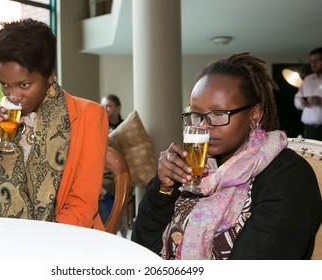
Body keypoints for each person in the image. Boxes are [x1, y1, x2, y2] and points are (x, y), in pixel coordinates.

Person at [131, 52, 322, 259]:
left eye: (219, 114)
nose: (204, 126)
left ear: (254, 115)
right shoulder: (191, 167)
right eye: (196, 114)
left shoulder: (288, 177)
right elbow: (141, 249)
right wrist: (162, 188)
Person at [0, 18, 109, 229]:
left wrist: (34, 247)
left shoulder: (89, 115)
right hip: (0, 237)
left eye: (24, 85)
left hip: (64, 243)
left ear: (50, 74)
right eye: (4, 85)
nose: (13, 95)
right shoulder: (2, 118)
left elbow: (81, 206)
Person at [98, 94, 124, 224]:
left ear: (118, 108)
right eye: (102, 105)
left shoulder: (125, 128)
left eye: (108, 106)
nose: (104, 108)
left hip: (117, 176)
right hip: (101, 175)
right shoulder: (97, 125)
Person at [294, 47, 322, 140]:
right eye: (311, 61)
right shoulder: (307, 79)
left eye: (317, 60)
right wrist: (302, 102)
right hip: (309, 129)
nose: (313, 64)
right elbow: (297, 99)